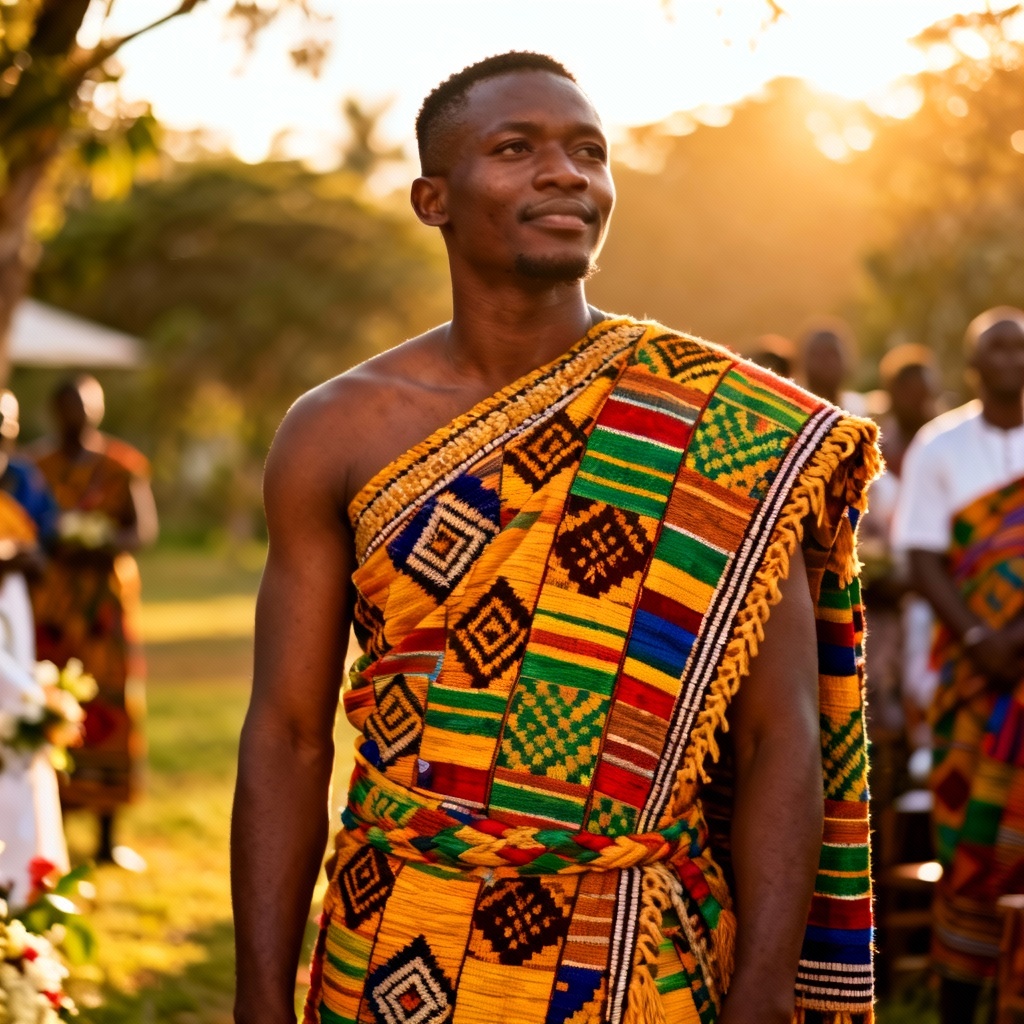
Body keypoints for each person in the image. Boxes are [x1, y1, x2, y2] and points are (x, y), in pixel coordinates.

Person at [232, 52, 880, 1024]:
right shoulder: (335, 432)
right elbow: (286, 734)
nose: (566, 173)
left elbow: (779, 736)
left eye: (589, 151)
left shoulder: (724, 431)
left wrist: (761, 988)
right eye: (515, 149)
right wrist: (259, 993)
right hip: (396, 942)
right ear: (433, 200)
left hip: (639, 955)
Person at [892, 307, 1024, 1024]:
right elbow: (920, 555)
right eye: (996, 348)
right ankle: (959, 1003)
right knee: (969, 841)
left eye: (1020, 347)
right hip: (971, 684)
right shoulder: (940, 446)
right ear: (972, 366)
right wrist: (979, 639)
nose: (1012, 358)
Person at [29, 375, 158, 864]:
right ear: (54, 410)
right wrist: (56, 543)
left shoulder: (122, 466)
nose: (76, 416)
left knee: (110, 705)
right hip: (52, 608)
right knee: (48, 702)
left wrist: (100, 542)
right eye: (67, 406)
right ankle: (51, 829)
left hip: (104, 607)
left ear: (98, 409)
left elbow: (142, 530)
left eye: (84, 406)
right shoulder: (34, 469)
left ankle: (107, 837)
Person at [0, 391, 68, 907]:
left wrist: (25, 557)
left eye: (7, 421)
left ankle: (21, 880)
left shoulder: (24, 479)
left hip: (16, 610)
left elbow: (48, 541)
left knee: (20, 726)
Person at [799, 320, 868, 415]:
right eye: (818, 354)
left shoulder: (861, 410)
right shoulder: (792, 411)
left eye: (832, 353)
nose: (825, 361)